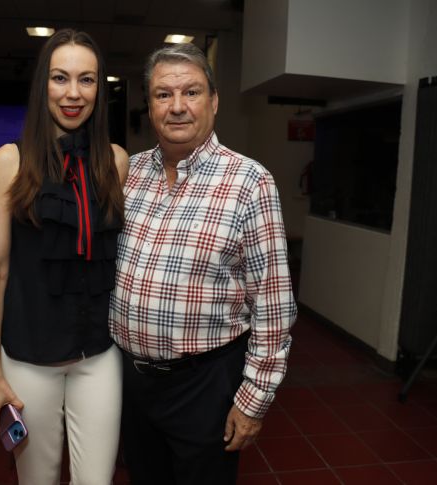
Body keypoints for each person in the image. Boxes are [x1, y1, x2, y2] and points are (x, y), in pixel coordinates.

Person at [108, 43, 297, 485]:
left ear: (213, 101)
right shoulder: (127, 173)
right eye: (162, 95)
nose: (177, 107)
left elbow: (273, 307)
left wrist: (253, 401)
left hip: (204, 384)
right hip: (130, 382)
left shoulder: (250, 182)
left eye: (191, 92)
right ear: (149, 105)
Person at [0, 28, 128, 485]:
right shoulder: (10, 161)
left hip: (98, 357)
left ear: (100, 89)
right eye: (60, 78)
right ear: (42, 82)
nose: (73, 93)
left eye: (87, 80)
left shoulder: (116, 161)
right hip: (28, 360)